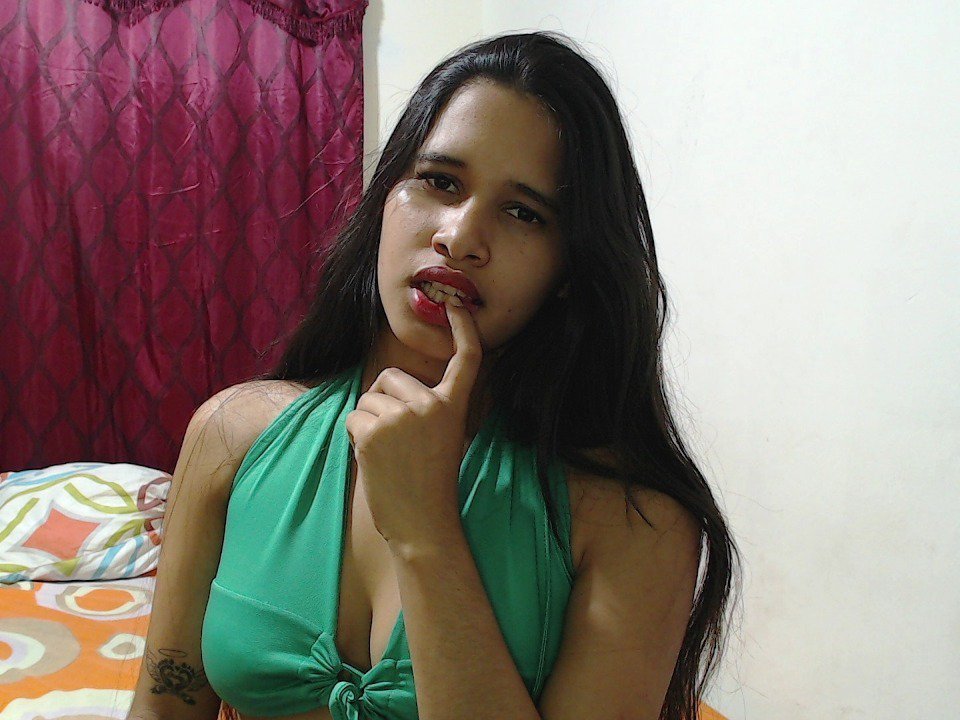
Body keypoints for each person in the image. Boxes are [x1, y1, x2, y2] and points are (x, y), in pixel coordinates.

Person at [127, 30, 740, 720]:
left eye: (523, 212)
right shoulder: (232, 435)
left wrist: (425, 530)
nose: (460, 236)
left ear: (570, 269)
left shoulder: (636, 522)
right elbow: (162, 709)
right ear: (383, 200)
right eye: (440, 181)